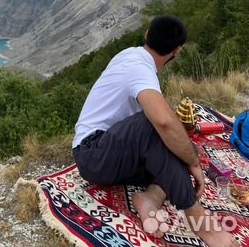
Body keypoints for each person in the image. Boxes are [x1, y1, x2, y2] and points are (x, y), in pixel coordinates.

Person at [72, 15, 238, 247]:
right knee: (160, 128)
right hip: (93, 154)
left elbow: (169, 131)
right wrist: (193, 162)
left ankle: (151, 197)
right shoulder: (138, 68)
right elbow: (163, 121)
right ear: (177, 51)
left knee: (177, 143)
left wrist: (186, 153)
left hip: (117, 155)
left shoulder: (130, 55)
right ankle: (199, 221)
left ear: (147, 34)